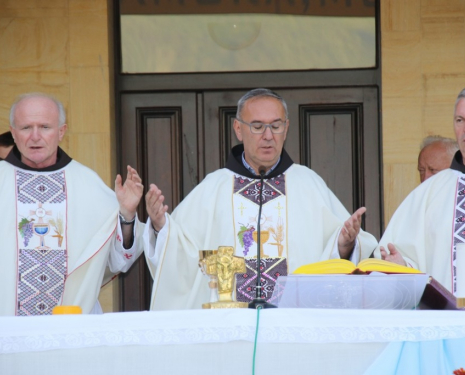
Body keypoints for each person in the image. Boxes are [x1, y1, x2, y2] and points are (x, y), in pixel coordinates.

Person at [143, 88, 378, 310]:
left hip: (292, 323)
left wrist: (344, 245)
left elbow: (333, 259)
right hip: (231, 324)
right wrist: (160, 226)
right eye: (257, 127)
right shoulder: (213, 187)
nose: (268, 136)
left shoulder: (308, 184)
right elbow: (181, 256)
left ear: (286, 128)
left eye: (275, 126)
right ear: (238, 128)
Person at [0, 92, 144, 316]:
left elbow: (118, 261)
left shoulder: (87, 183)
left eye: (45, 127)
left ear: (61, 132)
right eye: (26, 127)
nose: (35, 136)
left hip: (73, 327)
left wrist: (126, 215)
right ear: (14, 133)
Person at [375, 85, 465, 306]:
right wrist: (402, 268)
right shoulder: (428, 193)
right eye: (460, 120)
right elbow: (404, 263)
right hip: (449, 330)